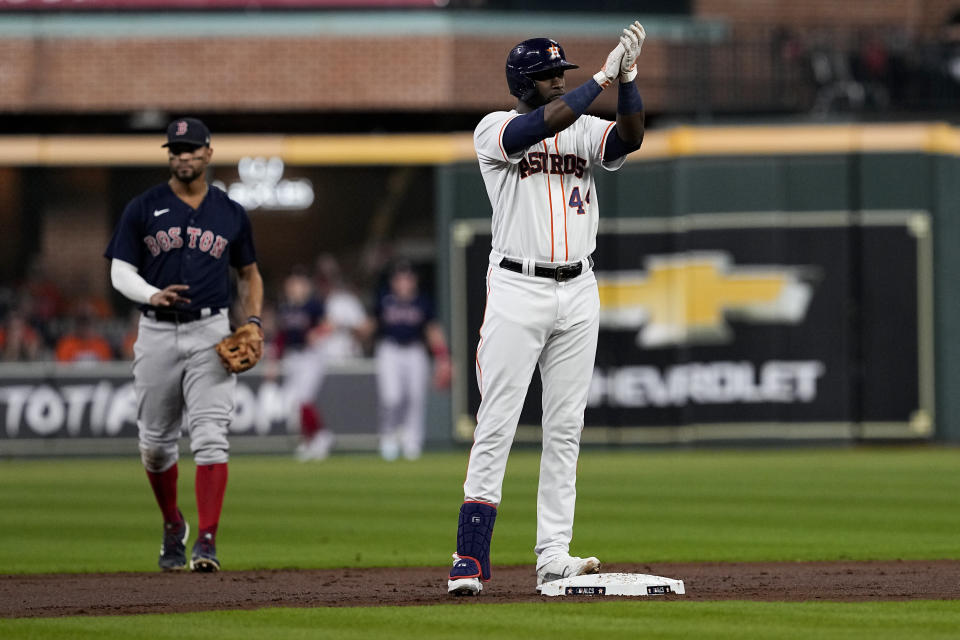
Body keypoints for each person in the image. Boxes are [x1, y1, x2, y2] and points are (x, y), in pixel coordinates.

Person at [446, 24, 647, 596]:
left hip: (579, 289)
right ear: (522, 81)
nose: (560, 79)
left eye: (564, 72)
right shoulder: (495, 130)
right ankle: (470, 555)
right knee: (497, 423)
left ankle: (553, 555)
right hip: (517, 287)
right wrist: (604, 78)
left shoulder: (582, 126)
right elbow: (541, 125)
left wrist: (628, 80)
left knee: (566, 428)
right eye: (549, 74)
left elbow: (629, 137)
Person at [103, 117, 264, 573]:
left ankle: (207, 540)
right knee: (155, 446)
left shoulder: (230, 212)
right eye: (176, 149)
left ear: (208, 153)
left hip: (211, 331)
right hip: (155, 329)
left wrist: (251, 320)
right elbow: (120, 270)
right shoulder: (143, 207)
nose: (184, 155)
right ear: (169, 155)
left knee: (212, 439)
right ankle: (174, 524)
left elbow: (249, 273)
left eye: (192, 148)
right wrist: (149, 293)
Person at [373, 260, 451, 461]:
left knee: (415, 398)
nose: (404, 282)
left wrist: (443, 357)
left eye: (407, 278)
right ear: (393, 281)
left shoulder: (422, 301)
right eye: (400, 278)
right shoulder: (384, 299)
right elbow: (371, 325)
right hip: (390, 349)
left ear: (414, 280)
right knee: (391, 397)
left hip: (415, 349)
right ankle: (388, 437)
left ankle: (412, 443)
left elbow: (432, 329)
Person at [274, 268, 335, 461]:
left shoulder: (313, 306)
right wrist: (273, 360)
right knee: (295, 402)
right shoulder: (285, 308)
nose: (295, 288)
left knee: (304, 398)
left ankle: (321, 436)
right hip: (293, 356)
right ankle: (310, 440)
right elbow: (281, 336)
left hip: (311, 355)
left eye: (299, 283)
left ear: (306, 286)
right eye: (292, 284)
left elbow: (329, 325)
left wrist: (317, 333)